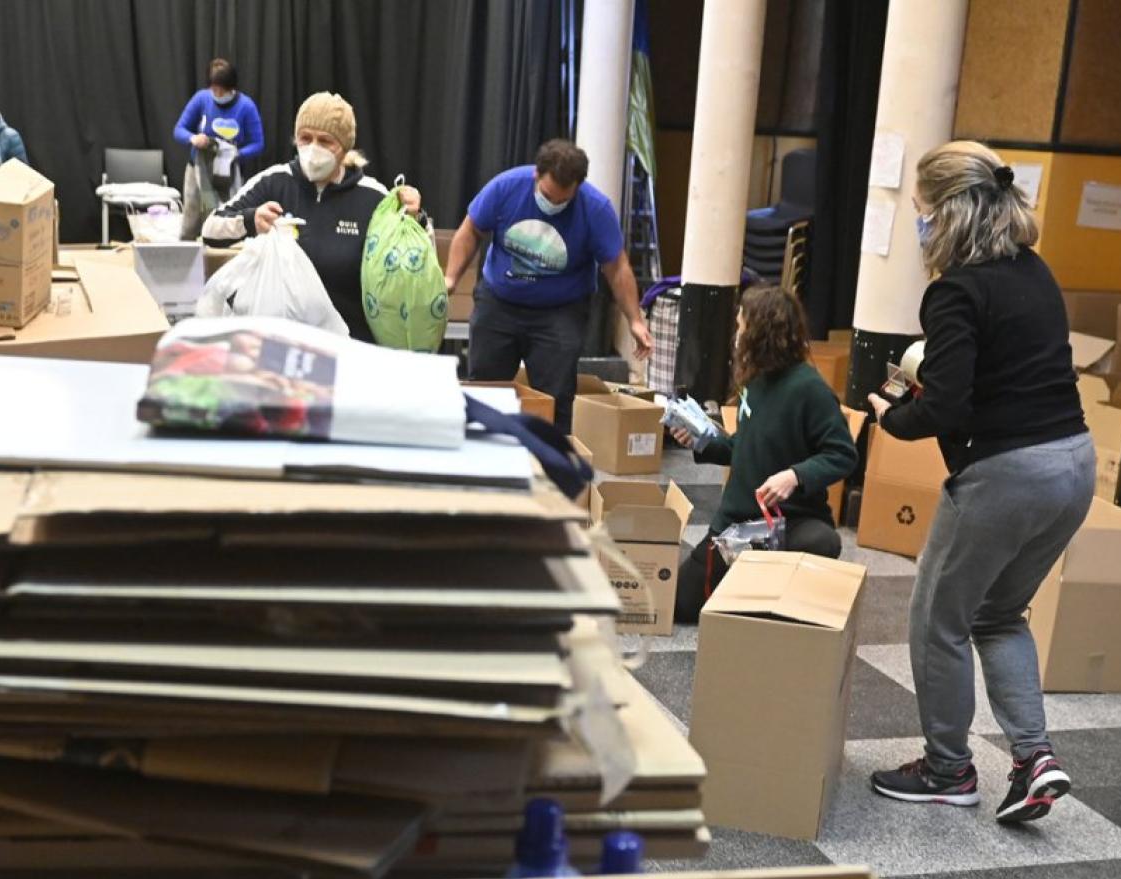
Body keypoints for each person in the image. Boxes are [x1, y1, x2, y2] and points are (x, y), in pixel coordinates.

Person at [865, 140, 1094, 826]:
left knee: (939, 619)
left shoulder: (955, 291)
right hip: (1074, 465)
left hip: (1007, 474)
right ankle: (1034, 759)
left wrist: (890, 415)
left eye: (922, 211)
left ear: (947, 212)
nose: (919, 224)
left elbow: (946, 407)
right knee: (997, 614)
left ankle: (947, 769)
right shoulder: (1035, 271)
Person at [670, 284, 857, 626]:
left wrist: (795, 475)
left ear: (761, 332)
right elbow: (745, 447)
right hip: (737, 526)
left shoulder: (810, 389)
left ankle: (768, 591)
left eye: (741, 326)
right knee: (681, 604)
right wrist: (700, 443)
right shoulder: (756, 382)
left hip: (789, 522)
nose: (737, 335)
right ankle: (753, 588)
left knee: (822, 541)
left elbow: (844, 454)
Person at [445, 140, 651, 430]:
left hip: (560, 311)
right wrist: (451, 278)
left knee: (555, 398)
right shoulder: (506, 188)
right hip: (500, 302)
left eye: (562, 200)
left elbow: (616, 267)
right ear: (536, 176)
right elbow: (470, 231)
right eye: (547, 195)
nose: (553, 204)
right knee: (485, 390)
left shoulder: (595, 208)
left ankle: (552, 463)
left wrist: (635, 320)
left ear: (578, 187)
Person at [202, 93, 423, 343]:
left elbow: (413, 261)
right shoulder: (275, 182)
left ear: (345, 147)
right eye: (305, 138)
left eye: (325, 141)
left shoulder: (373, 197)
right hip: (281, 348)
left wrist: (414, 218)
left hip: (350, 346)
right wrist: (251, 219)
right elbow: (211, 229)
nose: (313, 148)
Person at [175, 58, 265, 233]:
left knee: (226, 217)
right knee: (191, 218)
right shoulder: (201, 99)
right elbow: (179, 130)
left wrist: (236, 154)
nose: (217, 94)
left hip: (229, 173)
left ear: (232, 88)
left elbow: (258, 143)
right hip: (199, 171)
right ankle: (188, 254)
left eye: (221, 90)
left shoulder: (246, 106)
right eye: (214, 89)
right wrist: (193, 138)